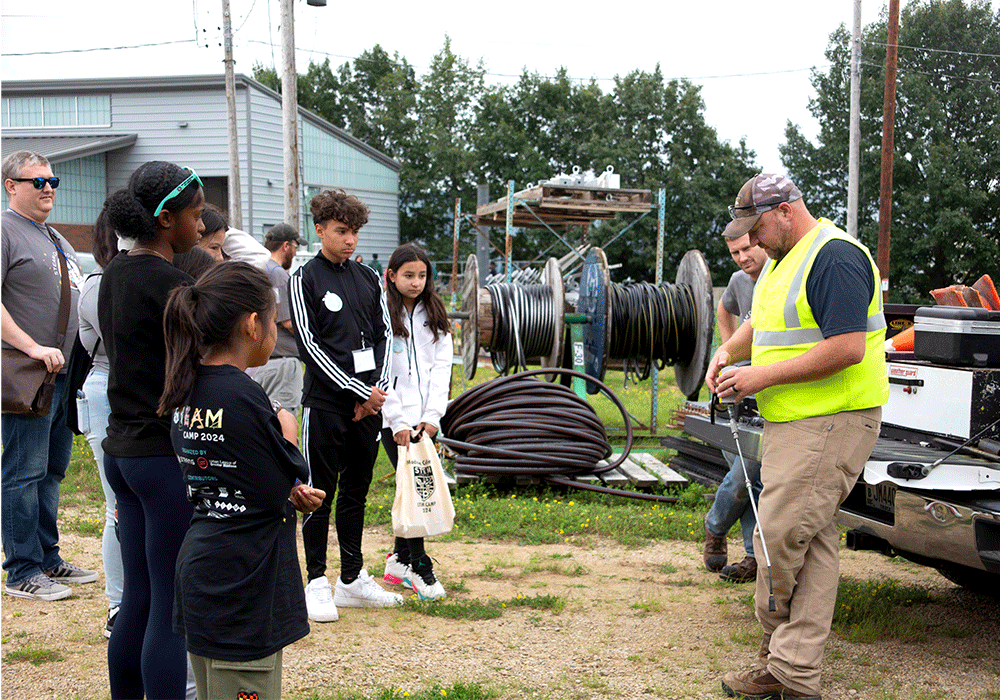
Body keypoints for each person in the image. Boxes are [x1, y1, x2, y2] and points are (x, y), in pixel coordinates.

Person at [706, 173, 888, 700]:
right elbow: (760, 326)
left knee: (779, 536)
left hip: (833, 419)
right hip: (797, 422)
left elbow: (848, 348)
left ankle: (778, 650)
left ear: (786, 210)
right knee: (812, 542)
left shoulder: (834, 257)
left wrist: (759, 377)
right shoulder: (784, 261)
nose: (753, 241)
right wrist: (729, 354)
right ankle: (792, 670)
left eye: (757, 228)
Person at [160, 262, 324, 700]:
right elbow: (284, 472)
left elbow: (236, 469)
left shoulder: (186, 384)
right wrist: (287, 426)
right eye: (273, 320)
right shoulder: (242, 393)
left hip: (204, 571)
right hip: (242, 582)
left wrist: (286, 487)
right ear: (253, 325)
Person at [99, 161, 205, 700]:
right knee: (168, 604)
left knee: (137, 597)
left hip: (121, 452)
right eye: (195, 214)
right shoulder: (175, 284)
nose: (203, 226)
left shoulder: (115, 271)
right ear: (166, 219)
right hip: (161, 457)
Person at [289, 189, 402, 622]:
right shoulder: (303, 278)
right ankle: (315, 580)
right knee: (320, 491)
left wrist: (377, 393)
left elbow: (384, 336)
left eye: (354, 231)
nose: (349, 239)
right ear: (320, 230)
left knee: (357, 490)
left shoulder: (370, 278)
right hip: (326, 404)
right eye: (341, 231)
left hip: (368, 407)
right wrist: (357, 392)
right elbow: (309, 346)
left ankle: (351, 579)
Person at [2, 150, 98, 602]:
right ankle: (22, 569)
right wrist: (31, 346)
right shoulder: (5, 230)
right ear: (11, 186)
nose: (48, 188)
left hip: (62, 373)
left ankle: (47, 557)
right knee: (23, 472)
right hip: (26, 371)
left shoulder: (56, 238)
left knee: (52, 470)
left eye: (52, 181)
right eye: (36, 181)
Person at [380, 243, 452, 601]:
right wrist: (397, 422)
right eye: (408, 275)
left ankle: (398, 560)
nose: (416, 282)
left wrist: (432, 418)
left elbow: (442, 369)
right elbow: (383, 374)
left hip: (425, 423)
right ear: (391, 276)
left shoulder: (435, 314)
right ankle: (420, 567)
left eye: (422, 275)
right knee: (412, 488)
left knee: (412, 487)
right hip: (394, 422)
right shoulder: (380, 314)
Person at [703, 230, 769, 584]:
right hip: (734, 389)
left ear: (762, 241)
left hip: (768, 389)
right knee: (749, 474)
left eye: (747, 248)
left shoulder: (780, 275)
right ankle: (750, 556)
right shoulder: (738, 281)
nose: (743, 257)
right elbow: (725, 307)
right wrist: (729, 349)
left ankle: (716, 526)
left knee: (751, 473)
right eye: (735, 252)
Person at [77, 206, 125, 635]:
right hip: (106, 393)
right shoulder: (96, 285)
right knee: (118, 508)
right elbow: (125, 340)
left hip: (135, 397)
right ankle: (118, 606)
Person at [255, 223, 307, 415]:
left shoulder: (260, 268)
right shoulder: (277, 273)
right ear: (286, 246)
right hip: (283, 364)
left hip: (264, 361)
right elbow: (289, 322)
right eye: (295, 247)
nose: (295, 252)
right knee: (285, 423)